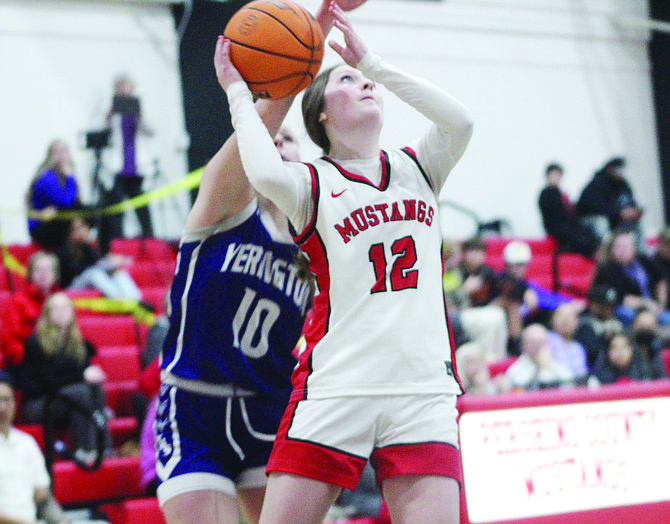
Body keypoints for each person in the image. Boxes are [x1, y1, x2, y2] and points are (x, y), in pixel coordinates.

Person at [218, 2, 474, 522]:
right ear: (321, 114)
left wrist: (373, 63)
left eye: (368, 83)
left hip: (421, 388)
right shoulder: (311, 182)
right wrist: (239, 97)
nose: (365, 86)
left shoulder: (418, 165)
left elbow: (461, 120)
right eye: (348, 82)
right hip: (339, 386)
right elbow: (264, 174)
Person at [155, 3, 371, 524]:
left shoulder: (319, 241)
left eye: (286, 142)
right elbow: (270, 108)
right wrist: (310, 35)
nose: (273, 144)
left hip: (269, 411)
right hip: (195, 406)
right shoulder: (223, 209)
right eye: (266, 140)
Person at [10, 292, 112, 465]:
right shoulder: (34, 343)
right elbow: (47, 384)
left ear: (72, 312)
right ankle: (84, 450)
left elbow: (84, 376)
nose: (61, 312)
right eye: (55, 308)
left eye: (65, 307)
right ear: (47, 313)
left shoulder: (78, 343)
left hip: (68, 399)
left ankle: (104, 448)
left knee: (94, 389)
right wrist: (82, 376)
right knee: (81, 392)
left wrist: (91, 375)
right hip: (38, 404)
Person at [0, 375, 70, 524]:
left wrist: (61, 521)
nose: (2, 408)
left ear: (15, 404)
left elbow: (43, 498)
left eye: (6, 400)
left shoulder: (27, 443)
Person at [97, 74, 154, 254]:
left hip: (137, 166)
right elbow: (100, 130)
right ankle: (118, 239)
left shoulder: (138, 107)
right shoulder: (109, 108)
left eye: (128, 87)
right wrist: (110, 113)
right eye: (121, 87)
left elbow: (150, 132)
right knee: (117, 206)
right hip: (117, 166)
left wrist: (139, 117)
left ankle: (149, 236)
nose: (125, 91)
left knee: (141, 205)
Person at [591, 228, 670, 326]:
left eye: (627, 246)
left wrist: (661, 305)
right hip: (627, 308)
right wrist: (646, 304)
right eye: (619, 247)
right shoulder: (608, 269)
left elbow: (661, 280)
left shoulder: (643, 260)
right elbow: (621, 297)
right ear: (612, 250)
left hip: (654, 307)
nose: (623, 250)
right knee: (627, 314)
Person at [53, 217, 143, 301]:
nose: (81, 231)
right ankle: (119, 300)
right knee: (93, 273)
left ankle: (137, 300)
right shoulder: (63, 250)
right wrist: (107, 264)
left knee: (117, 272)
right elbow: (77, 271)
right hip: (71, 286)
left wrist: (113, 263)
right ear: (69, 233)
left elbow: (97, 262)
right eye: (76, 229)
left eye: (83, 227)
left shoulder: (86, 246)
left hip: (87, 278)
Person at [450, 237, 508, 361]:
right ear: (464, 254)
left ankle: (498, 360)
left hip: (478, 312)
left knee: (498, 314)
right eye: (472, 252)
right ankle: (486, 361)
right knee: (490, 319)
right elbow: (447, 301)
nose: (476, 256)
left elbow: (505, 286)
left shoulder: (486, 272)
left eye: (479, 252)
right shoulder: (455, 271)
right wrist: (464, 291)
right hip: (457, 314)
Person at [0, 251, 59, 369]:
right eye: (38, 270)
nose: (43, 275)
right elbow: (9, 340)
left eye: (48, 270)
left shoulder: (60, 300)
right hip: (25, 364)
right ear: (30, 274)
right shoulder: (18, 301)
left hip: (57, 364)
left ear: (56, 274)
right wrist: (30, 361)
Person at [26, 139, 83, 251]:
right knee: (68, 212)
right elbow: (65, 202)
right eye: (57, 152)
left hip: (55, 220)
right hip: (41, 227)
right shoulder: (46, 176)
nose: (61, 155)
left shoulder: (64, 176)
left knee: (91, 210)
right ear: (50, 156)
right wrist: (70, 178)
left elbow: (75, 202)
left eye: (64, 151)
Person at [538, 162, 600, 258]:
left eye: (558, 175)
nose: (555, 177)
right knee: (578, 237)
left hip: (568, 225)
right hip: (557, 226)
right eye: (553, 174)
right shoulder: (546, 194)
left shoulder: (561, 194)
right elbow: (554, 214)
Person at [575, 157, 643, 243]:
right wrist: (619, 213)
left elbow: (630, 201)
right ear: (609, 169)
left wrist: (633, 211)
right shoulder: (596, 184)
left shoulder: (624, 186)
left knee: (635, 223)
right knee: (601, 222)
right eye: (618, 169)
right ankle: (604, 251)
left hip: (614, 219)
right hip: (590, 219)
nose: (620, 173)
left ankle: (639, 252)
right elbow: (594, 208)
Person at [500, 323, 576, 391]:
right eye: (534, 343)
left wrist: (546, 367)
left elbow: (569, 384)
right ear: (523, 346)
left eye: (542, 342)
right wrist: (543, 369)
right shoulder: (516, 370)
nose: (539, 347)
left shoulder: (556, 364)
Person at [573, 285, 624, 371]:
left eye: (611, 306)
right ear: (594, 306)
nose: (609, 310)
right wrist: (605, 339)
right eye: (605, 306)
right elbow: (592, 353)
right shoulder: (584, 325)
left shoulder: (616, 322)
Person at [546, 302, 589, 383]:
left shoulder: (578, 348)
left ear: (576, 321)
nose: (565, 320)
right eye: (561, 316)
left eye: (569, 317)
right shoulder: (545, 342)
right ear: (552, 319)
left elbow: (582, 375)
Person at [629, 307, 668, 380]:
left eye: (649, 327)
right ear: (633, 326)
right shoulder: (626, 350)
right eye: (642, 326)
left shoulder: (660, 350)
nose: (645, 331)